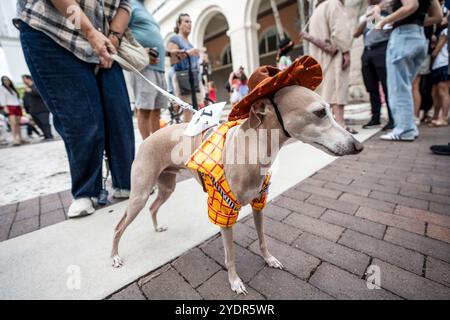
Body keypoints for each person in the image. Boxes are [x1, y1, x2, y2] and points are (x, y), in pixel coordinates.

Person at [16, 0, 135, 218]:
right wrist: (89, 32)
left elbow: (125, 5)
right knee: (80, 117)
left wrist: (114, 37)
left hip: (104, 38)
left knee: (119, 115)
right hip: (51, 29)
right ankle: (86, 191)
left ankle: (127, 182)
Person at [376, 0, 442, 141]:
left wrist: (385, 21)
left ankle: (404, 130)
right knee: (405, 86)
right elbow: (438, 16)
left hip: (403, 36)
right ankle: (409, 126)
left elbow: (412, 5)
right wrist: (415, 21)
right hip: (419, 36)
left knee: (399, 88)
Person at [300, 0, 357, 134]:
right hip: (333, 54)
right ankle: (340, 123)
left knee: (326, 88)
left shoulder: (316, 12)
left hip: (319, 57)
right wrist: (346, 51)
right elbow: (340, 30)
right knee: (337, 87)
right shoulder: (333, 4)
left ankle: (329, 123)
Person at [128, 0, 167, 140]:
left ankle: (156, 147)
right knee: (144, 110)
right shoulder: (129, 4)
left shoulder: (143, 8)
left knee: (156, 111)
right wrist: (140, 51)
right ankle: (147, 149)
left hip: (159, 68)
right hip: (144, 67)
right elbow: (121, 34)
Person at [353, 0, 394, 131]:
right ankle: (375, 117)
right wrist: (369, 14)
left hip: (382, 48)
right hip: (367, 51)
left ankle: (393, 118)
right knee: (371, 86)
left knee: (387, 86)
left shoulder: (388, 12)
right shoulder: (366, 13)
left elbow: (375, 25)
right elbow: (356, 33)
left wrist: (377, 10)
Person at [167, 13, 203, 123]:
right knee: (188, 108)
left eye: (190, 22)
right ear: (179, 24)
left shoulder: (189, 42)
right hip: (183, 77)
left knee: (196, 107)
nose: (189, 24)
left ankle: (195, 134)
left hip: (194, 77)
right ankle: (187, 136)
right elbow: (172, 60)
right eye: (186, 21)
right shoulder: (175, 39)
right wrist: (189, 53)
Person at [429, 4, 449, 127]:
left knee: (443, 91)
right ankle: (436, 116)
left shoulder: (445, 32)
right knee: (436, 92)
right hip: (439, 64)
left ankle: (444, 118)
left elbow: (436, 51)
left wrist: (432, 54)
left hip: (443, 62)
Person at [22, 75, 54, 140]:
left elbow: (40, 94)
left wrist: (30, 91)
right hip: (32, 110)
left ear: (29, 79)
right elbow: (25, 99)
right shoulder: (26, 89)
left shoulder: (36, 85)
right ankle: (46, 135)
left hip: (42, 109)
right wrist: (27, 109)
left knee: (45, 123)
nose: (23, 81)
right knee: (39, 124)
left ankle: (49, 136)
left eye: (24, 79)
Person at [0, 76, 24, 146]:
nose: (6, 81)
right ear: (2, 81)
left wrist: (20, 105)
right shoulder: (2, 88)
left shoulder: (13, 89)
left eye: (7, 80)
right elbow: (2, 98)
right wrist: (5, 107)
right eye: (4, 80)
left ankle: (20, 138)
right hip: (9, 107)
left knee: (18, 124)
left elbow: (18, 98)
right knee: (13, 124)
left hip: (17, 106)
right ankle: (14, 139)